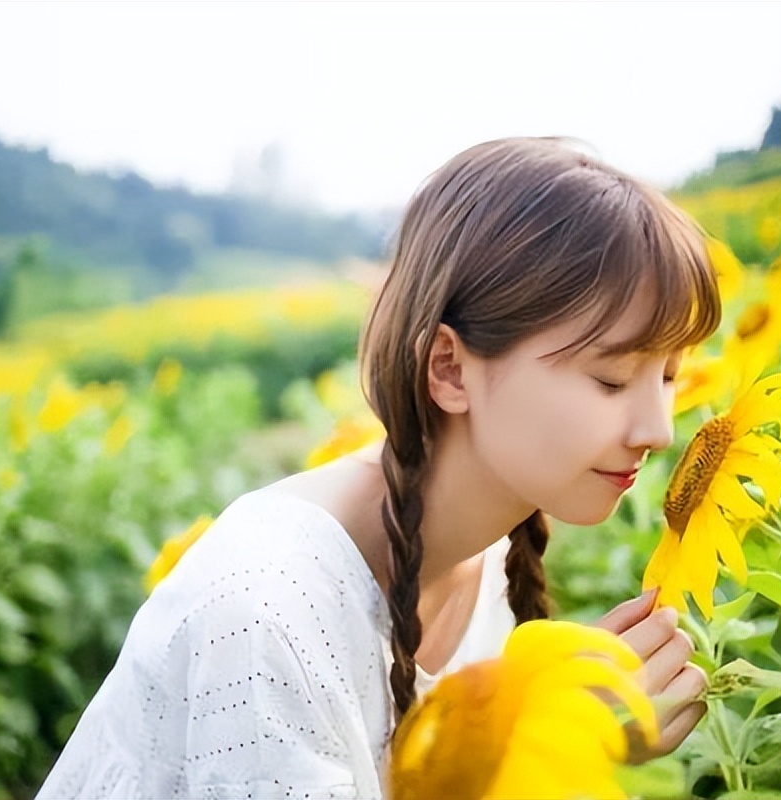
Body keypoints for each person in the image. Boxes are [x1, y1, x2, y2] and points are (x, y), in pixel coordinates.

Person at [36, 136, 719, 799]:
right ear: (449, 368)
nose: (658, 430)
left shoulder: (481, 561)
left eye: (667, 376)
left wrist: (548, 727)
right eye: (610, 379)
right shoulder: (267, 610)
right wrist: (564, 740)